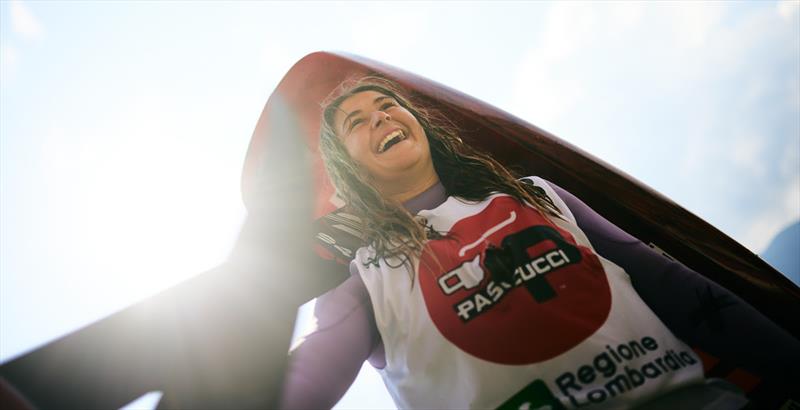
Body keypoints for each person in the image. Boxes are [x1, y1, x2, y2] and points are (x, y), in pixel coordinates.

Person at [280, 77, 799, 409]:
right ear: (348, 170)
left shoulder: (536, 196)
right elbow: (307, 378)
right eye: (357, 121)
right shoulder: (369, 278)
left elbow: (674, 285)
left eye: (389, 104)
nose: (381, 117)